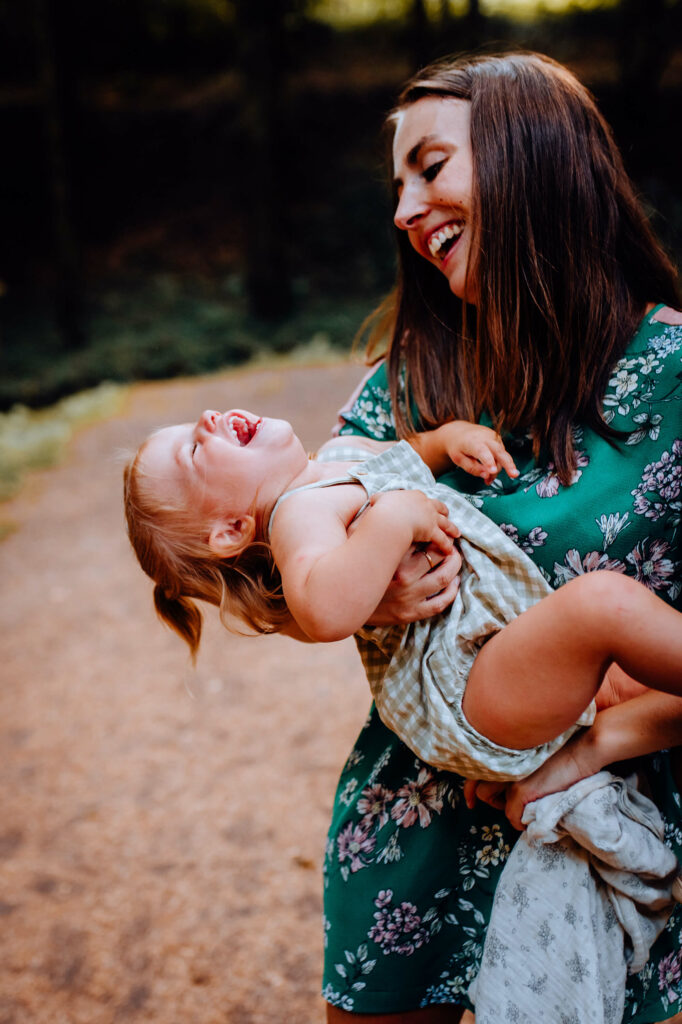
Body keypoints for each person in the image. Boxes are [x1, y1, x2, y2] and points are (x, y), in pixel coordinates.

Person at [318, 51, 682, 1024]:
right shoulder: (404, 389)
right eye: (398, 183)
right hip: (416, 836)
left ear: (533, 157)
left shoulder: (677, 374)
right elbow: (272, 568)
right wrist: (367, 580)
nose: (403, 209)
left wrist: (601, 738)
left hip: (610, 830)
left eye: (429, 168)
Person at [124, 407, 682, 790]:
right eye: (196, 450)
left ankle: (604, 741)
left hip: (505, 643)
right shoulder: (299, 513)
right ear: (229, 530)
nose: (206, 420)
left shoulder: (338, 456)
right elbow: (323, 612)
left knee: (630, 684)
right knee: (603, 605)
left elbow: (402, 456)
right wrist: (391, 518)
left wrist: (447, 441)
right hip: (468, 682)